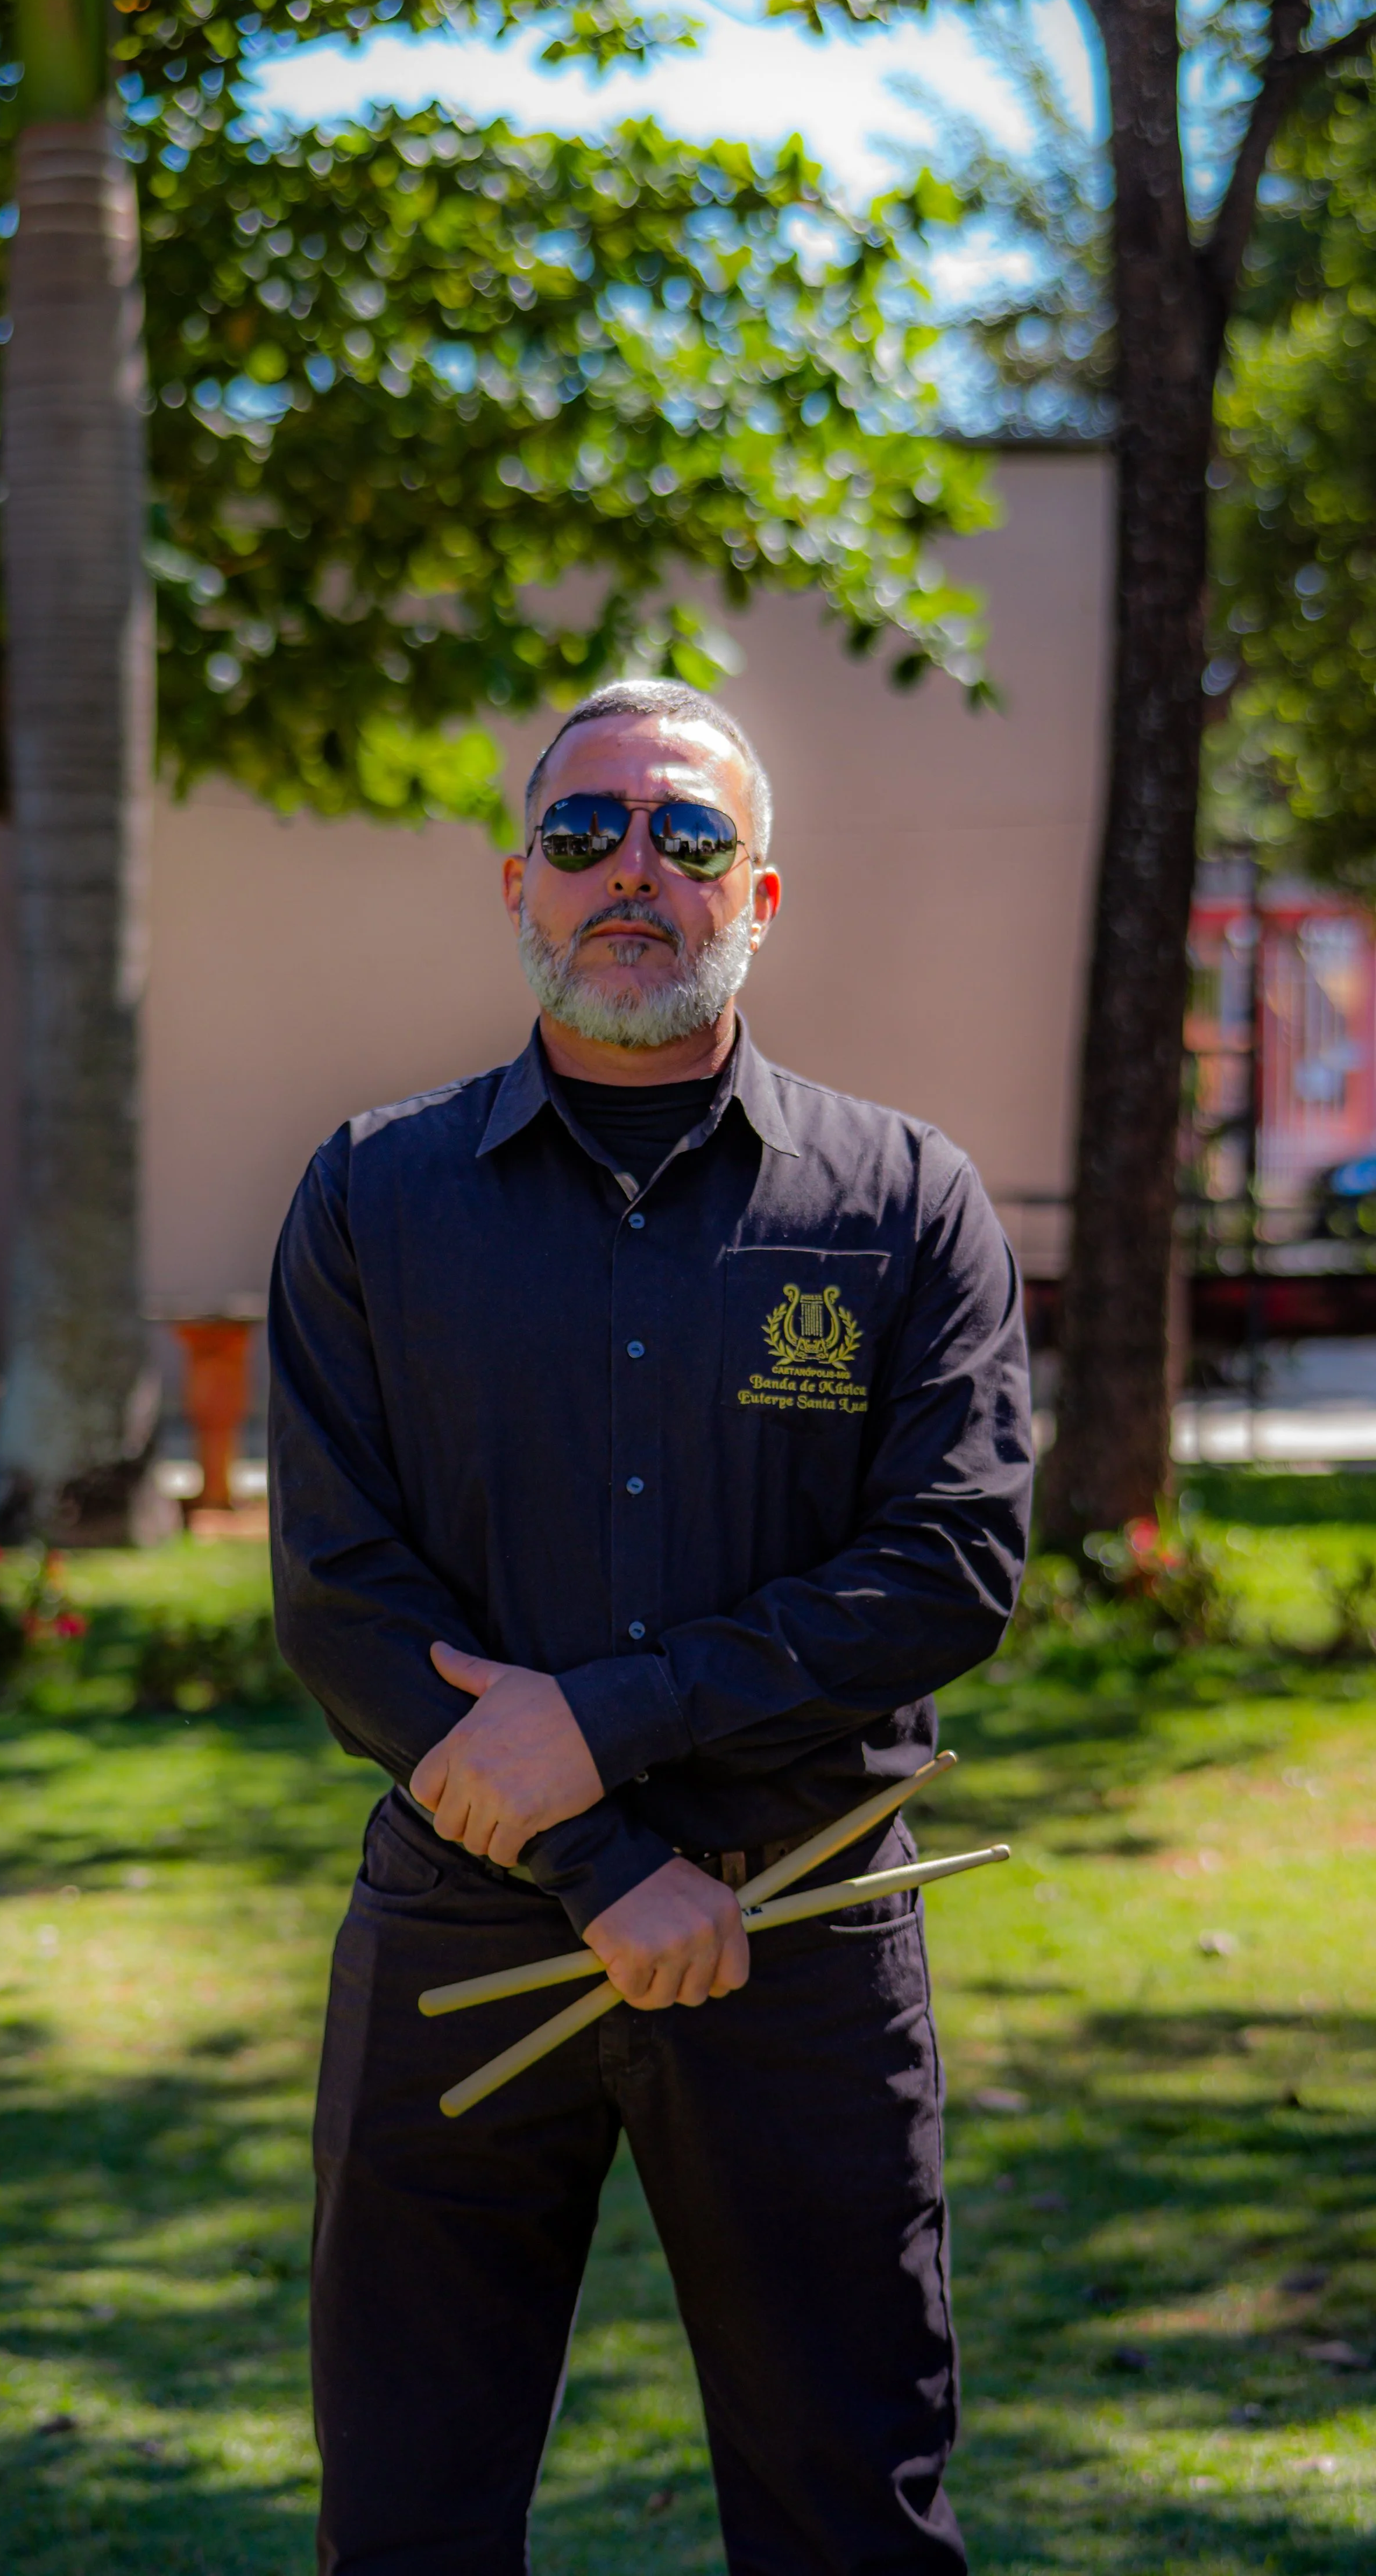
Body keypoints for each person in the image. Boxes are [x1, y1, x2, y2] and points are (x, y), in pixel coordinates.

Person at [270, 677, 1034, 2575]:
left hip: (803, 1938)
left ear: (757, 898)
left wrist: (599, 1724)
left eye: (689, 838)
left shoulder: (905, 1203)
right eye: (590, 832)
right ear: (512, 882)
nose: (637, 871)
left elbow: (947, 1566)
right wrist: (607, 1859)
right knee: (409, 2525)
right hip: (461, 1936)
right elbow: (340, 1602)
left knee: (848, 2518)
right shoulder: (373, 1193)